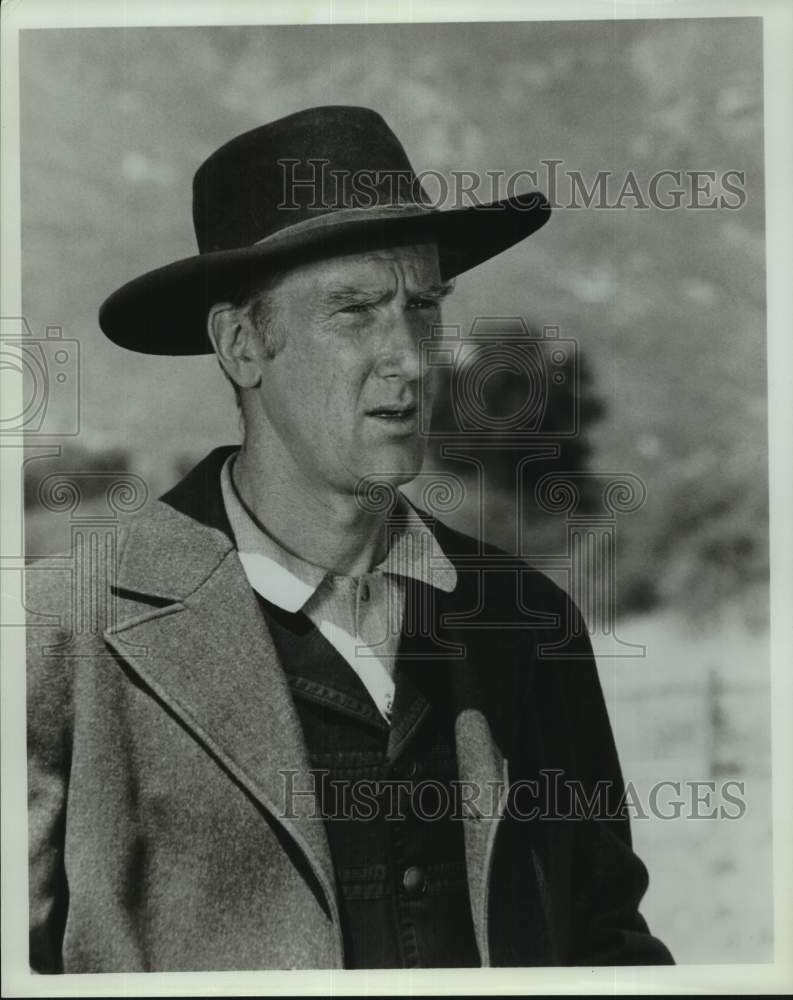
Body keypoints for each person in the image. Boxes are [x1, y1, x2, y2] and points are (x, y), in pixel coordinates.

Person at [26, 105, 673, 971]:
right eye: (354, 310)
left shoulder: (527, 623)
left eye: (422, 306)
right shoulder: (64, 632)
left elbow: (608, 947)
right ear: (241, 344)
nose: (408, 356)